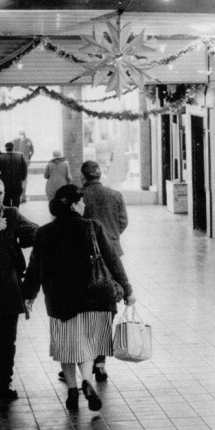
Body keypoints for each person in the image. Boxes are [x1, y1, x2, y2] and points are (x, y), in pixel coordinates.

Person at [22, 185, 136, 412]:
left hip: (60, 301)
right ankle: (87, 382)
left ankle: (72, 392)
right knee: (86, 346)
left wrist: (29, 295)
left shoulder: (44, 232)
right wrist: (128, 290)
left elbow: (36, 268)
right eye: (81, 202)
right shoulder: (92, 227)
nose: (84, 206)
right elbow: (113, 261)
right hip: (93, 297)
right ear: (74, 204)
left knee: (66, 346)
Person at [80, 160, 128, 382]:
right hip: (111, 256)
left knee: (85, 308)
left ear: (83, 177)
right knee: (107, 307)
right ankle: (100, 362)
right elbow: (122, 221)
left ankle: (83, 361)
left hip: (84, 257)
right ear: (100, 175)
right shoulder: (115, 194)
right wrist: (112, 238)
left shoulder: (78, 197)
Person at [0, 180, 38, 403]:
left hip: (7, 290)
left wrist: (18, 238)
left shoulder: (11, 215)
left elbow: (35, 233)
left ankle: (4, 382)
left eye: (1, 192)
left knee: (7, 341)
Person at [0, 143, 27, 208]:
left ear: (5, 148)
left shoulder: (0, 157)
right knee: (16, 201)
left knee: (6, 202)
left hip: (5, 184)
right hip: (17, 183)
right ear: (13, 147)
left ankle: (8, 216)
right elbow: (24, 169)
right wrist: (22, 178)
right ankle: (15, 215)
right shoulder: (20, 156)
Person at [11, 131, 33, 203]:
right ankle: (19, 196)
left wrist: (28, 158)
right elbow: (12, 150)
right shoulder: (15, 141)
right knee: (18, 179)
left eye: (22, 134)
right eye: (20, 134)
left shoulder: (28, 141)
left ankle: (23, 196)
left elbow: (32, 150)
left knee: (24, 179)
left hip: (25, 161)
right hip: (18, 162)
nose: (21, 135)